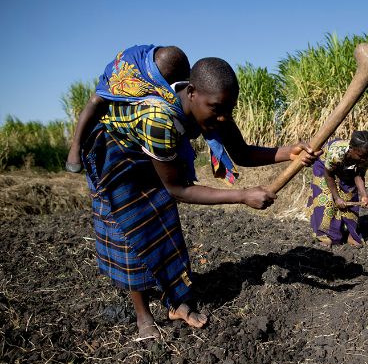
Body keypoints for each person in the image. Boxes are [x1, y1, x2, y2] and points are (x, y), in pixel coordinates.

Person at [77, 44, 320, 340]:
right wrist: (242, 196)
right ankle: (143, 317)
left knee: (165, 224)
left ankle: (177, 303)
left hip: (152, 153)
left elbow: (241, 153)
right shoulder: (159, 118)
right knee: (132, 230)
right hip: (118, 155)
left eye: (228, 110)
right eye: (217, 109)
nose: (222, 118)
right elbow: (178, 189)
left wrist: (289, 153)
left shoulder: (214, 108)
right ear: (192, 92)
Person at [65, 46, 191, 172]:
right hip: (113, 130)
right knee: (96, 101)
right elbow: (96, 102)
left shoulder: (174, 74)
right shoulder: (128, 73)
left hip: (145, 129)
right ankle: (75, 148)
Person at [306, 130, 368, 247]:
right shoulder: (337, 153)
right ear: (351, 149)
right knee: (327, 198)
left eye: (367, 155)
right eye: (361, 156)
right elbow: (329, 175)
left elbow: (358, 175)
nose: (364, 159)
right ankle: (325, 236)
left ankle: (352, 235)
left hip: (347, 169)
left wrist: (364, 195)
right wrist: (336, 197)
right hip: (325, 168)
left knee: (350, 197)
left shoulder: (366, 157)